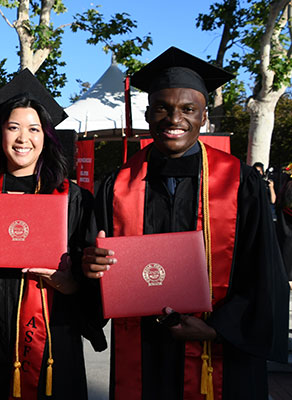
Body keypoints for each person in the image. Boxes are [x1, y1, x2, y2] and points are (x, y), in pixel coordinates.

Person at [82, 47, 290, 399]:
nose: (173, 118)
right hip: (145, 346)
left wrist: (218, 329)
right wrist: (90, 266)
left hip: (220, 349)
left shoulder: (239, 183)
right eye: (162, 107)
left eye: (188, 109)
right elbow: (92, 267)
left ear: (204, 117)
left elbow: (265, 272)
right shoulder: (117, 185)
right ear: (148, 115)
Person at [0, 69, 106, 399]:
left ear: (46, 136)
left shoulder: (73, 199)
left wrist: (69, 283)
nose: (23, 138)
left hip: (53, 335)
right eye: (13, 127)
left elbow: (93, 281)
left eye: (34, 128)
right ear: (0, 134)